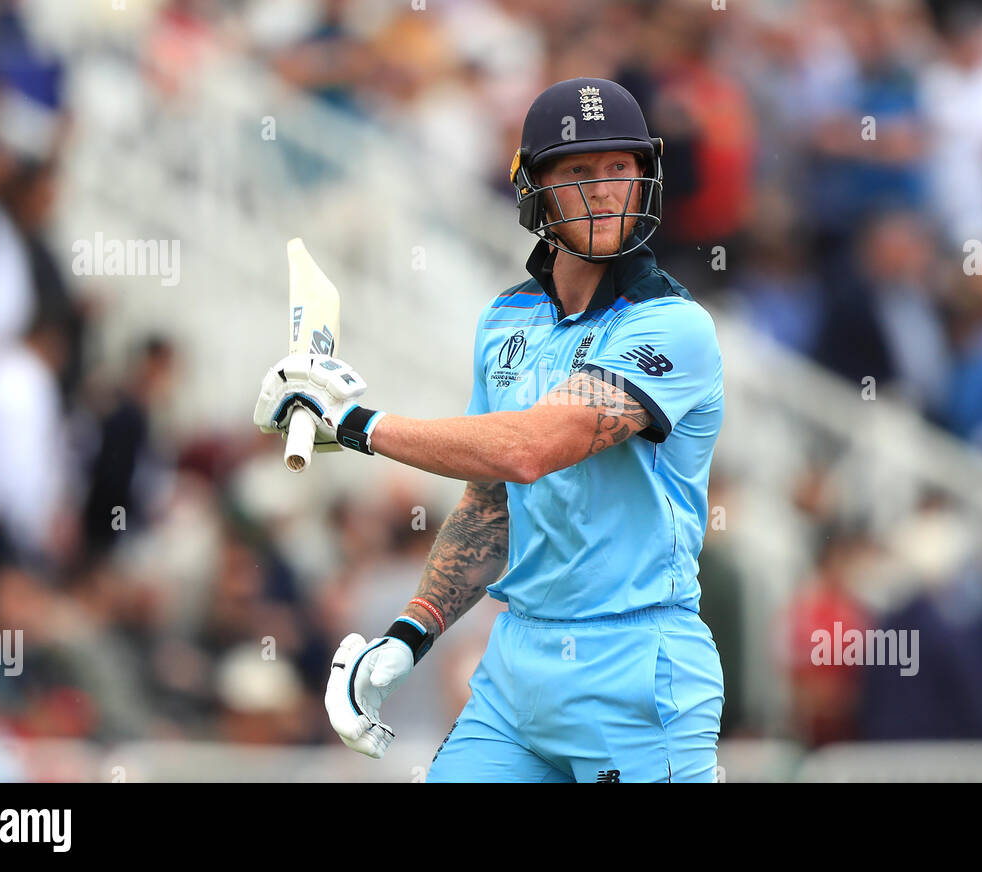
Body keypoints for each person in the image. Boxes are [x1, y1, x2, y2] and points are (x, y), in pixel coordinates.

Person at [254, 77, 725, 782]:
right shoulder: (505, 319)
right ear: (533, 186)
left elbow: (532, 450)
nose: (604, 189)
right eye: (579, 171)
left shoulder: (673, 326)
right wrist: (412, 633)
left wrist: (355, 423)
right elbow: (490, 501)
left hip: (638, 671)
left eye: (620, 169)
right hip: (516, 668)